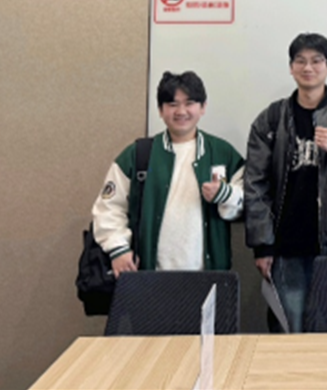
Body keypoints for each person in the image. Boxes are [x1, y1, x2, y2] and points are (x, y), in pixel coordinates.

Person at [244, 32, 327, 333]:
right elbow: (255, 185)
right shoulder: (271, 118)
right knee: (289, 332)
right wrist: (262, 246)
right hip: (286, 247)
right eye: (300, 61)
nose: (308, 67)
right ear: (291, 67)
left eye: (317, 61)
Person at [92, 70, 244, 275]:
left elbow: (250, 200)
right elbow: (108, 207)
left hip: (208, 277)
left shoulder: (222, 153)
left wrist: (226, 194)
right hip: (148, 276)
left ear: (203, 107)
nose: (181, 111)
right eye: (172, 104)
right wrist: (118, 249)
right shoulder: (139, 154)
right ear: (160, 110)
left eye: (189, 103)